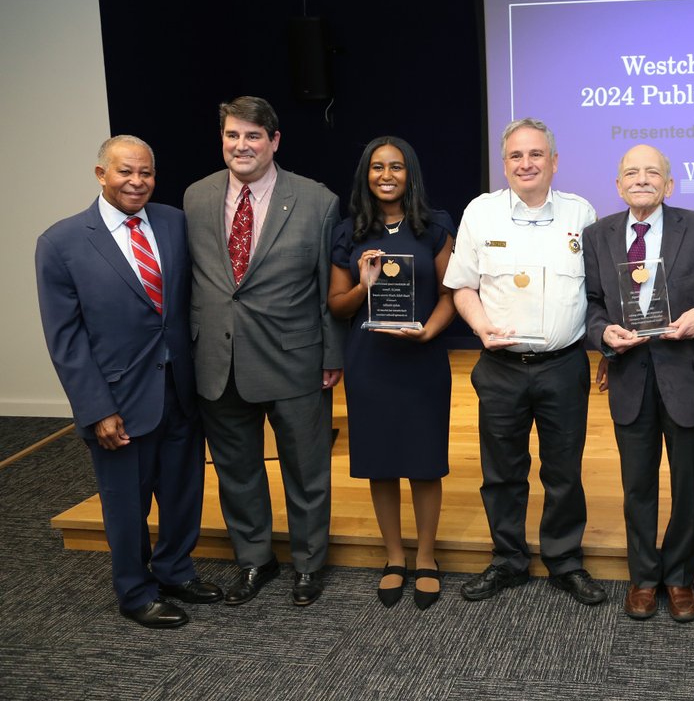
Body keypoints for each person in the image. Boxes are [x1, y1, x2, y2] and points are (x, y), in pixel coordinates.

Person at [35, 135, 222, 628]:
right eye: (125, 172)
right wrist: (96, 409)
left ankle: (176, 570)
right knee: (126, 503)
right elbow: (65, 339)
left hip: (181, 389)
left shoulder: (174, 223)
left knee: (183, 492)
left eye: (146, 173)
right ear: (101, 174)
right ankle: (135, 591)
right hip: (117, 400)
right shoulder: (61, 243)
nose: (137, 182)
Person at [183, 96, 344, 607]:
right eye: (232, 135)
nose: (241, 145)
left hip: (295, 360)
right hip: (218, 361)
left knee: (306, 470)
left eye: (253, 136)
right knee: (237, 472)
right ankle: (255, 560)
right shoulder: (195, 197)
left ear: (274, 141)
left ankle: (308, 564)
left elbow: (327, 286)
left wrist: (332, 355)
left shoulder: (317, 200)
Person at [443, 118, 606, 606]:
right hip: (500, 368)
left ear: (554, 162)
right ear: (504, 162)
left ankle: (564, 560)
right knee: (502, 471)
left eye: (536, 154)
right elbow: (462, 286)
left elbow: (597, 291)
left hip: (563, 364)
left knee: (563, 471)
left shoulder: (582, 214)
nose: (526, 163)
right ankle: (507, 559)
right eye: (516, 156)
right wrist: (479, 326)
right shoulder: (480, 212)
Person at [582, 144, 694, 622]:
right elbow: (594, 303)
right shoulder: (597, 235)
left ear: (670, 184)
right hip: (630, 377)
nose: (641, 179)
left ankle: (680, 576)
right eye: (631, 173)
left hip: (688, 375)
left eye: (652, 172)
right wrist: (602, 333)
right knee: (637, 485)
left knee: (688, 486)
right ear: (617, 184)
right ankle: (643, 576)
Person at [327, 136, 457, 610]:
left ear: (410, 174)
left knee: (424, 463)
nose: (386, 175)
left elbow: (451, 295)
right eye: (378, 167)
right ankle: (394, 556)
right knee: (380, 463)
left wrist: (427, 334)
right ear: (366, 174)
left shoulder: (435, 227)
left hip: (421, 359)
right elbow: (337, 306)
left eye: (397, 167)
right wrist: (365, 285)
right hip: (370, 363)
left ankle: (426, 556)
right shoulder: (349, 232)